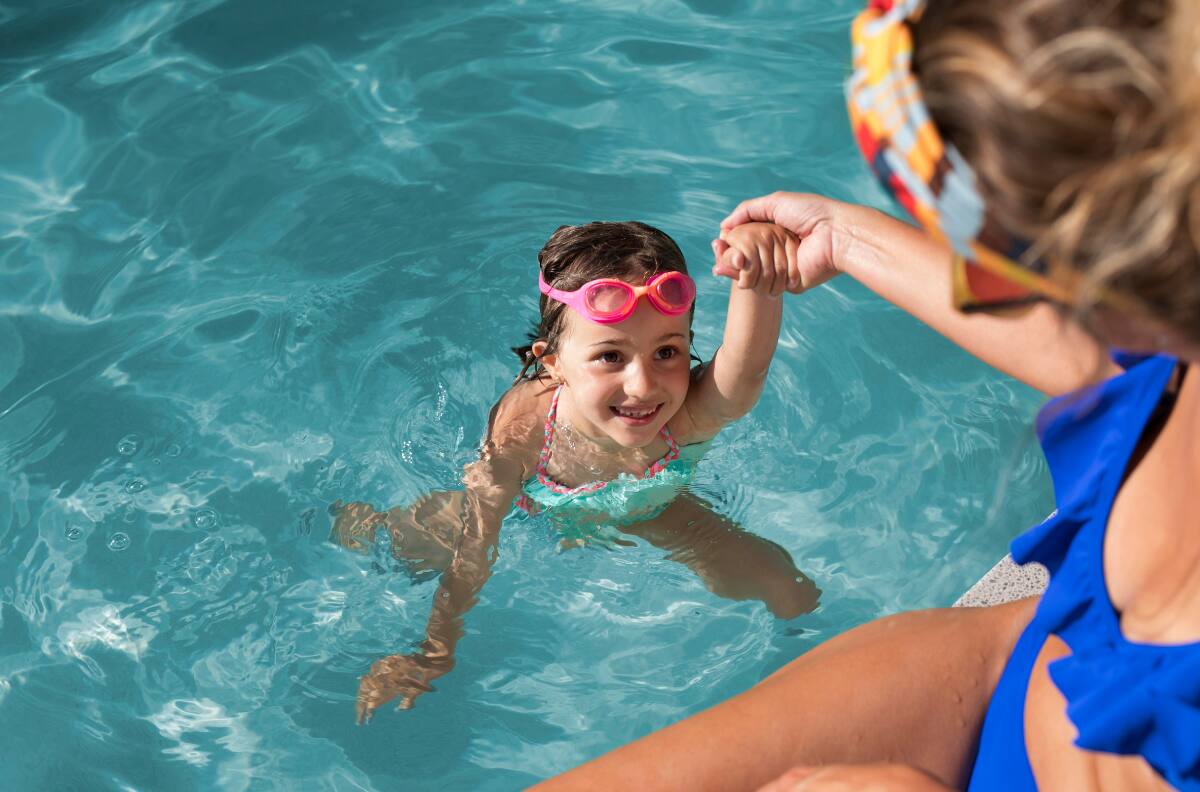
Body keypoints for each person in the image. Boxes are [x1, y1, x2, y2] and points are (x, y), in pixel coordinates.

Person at [537, 0, 1200, 788]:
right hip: (1014, 659)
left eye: (959, 226)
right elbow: (1081, 343)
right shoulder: (1164, 366)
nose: (966, 272)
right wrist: (847, 238)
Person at [332, 219, 820, 721]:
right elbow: (476, 547)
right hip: (533, 507)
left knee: (785, 584)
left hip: (653, 507)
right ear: (553, 363)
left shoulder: (690, 413)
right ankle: (362, 523)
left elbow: (746, 367)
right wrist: (436, 650)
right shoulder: (525, 429)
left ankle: (819, 673)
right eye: (610, 355)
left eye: (666, 352)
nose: (643, 385)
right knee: (411, 544)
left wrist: (756, 279)